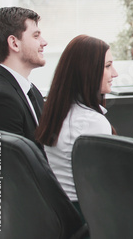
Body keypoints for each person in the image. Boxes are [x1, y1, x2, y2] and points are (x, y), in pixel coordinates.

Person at [35, 35, 118, 211]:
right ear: (88, 71)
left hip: (61, 212)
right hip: (85, 216)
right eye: (108, 66)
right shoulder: (92, 122)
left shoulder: (58, 114)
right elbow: (103, 186)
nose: (115, 73)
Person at [0, 7, 47, 152]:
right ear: (14, 43)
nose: (44, 42)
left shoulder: (33, 92)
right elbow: (0, 168)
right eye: (36, 36)